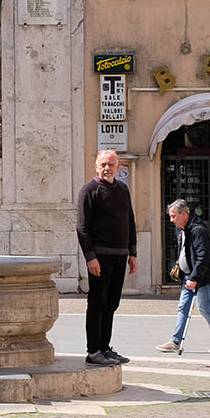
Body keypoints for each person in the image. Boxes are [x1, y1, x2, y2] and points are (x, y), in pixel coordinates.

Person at [76, 149, 137, 366]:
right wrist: (90, 257)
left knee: (111, 304)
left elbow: (129, 221)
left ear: (118, 167)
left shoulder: (122, 189)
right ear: (96, 166)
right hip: (99, 257)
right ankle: (93, 351)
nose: (107, 168)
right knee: (97, 302)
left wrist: (133, 253)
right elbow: (82, 227)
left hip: (120, 256)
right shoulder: (89, 190)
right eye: (103, 164)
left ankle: (105, 347)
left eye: (111, 164)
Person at [157, 199, 210, 354]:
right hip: (188, 275)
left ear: (184, 214)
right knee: (183, 307)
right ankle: (176, 341)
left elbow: (203, 256)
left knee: (204, 308)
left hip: (201, 276)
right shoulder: (181, 229)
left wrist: (194, 278)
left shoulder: (198, 230)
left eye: (173, 216)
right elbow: (184, 251)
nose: (171, 220)